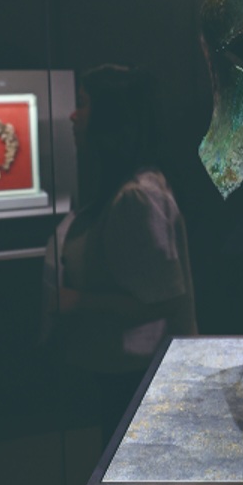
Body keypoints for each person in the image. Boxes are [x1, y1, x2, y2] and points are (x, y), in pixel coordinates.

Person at [44, 64, 197, 442]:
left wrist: (78, 301)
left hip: (140, 380)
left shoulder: (137, 198)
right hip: (130, 375)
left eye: (84, 104)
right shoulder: (127, 191)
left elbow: (165, 299)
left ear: (109, 118)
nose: (73, 115)